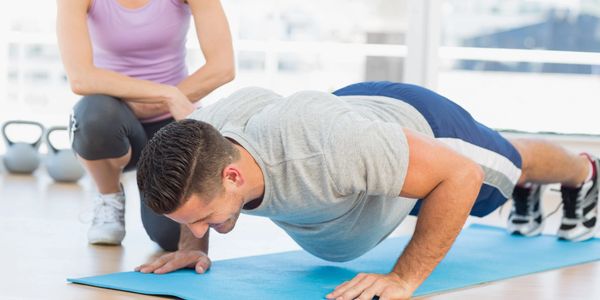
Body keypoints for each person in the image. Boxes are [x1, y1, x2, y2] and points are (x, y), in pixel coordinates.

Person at [134, 81, 599, 300]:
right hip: (356, 123)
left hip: (422, 126)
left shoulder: (327, 147)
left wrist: (404, 279)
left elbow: (460, 175)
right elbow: (196, 190)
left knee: (506, 166)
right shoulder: (206, 141)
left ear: (232, 176)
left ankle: (584, 174)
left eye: (202, 217)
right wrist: (190, 245)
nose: (199, 227)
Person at [56, 0, 234, 247]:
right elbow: (81, 78)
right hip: (113, 116)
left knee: (172, 239)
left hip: (170, 121)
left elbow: (222, 67)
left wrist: (168, 100)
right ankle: (109, 196)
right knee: (94, 117)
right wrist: (165, 94)